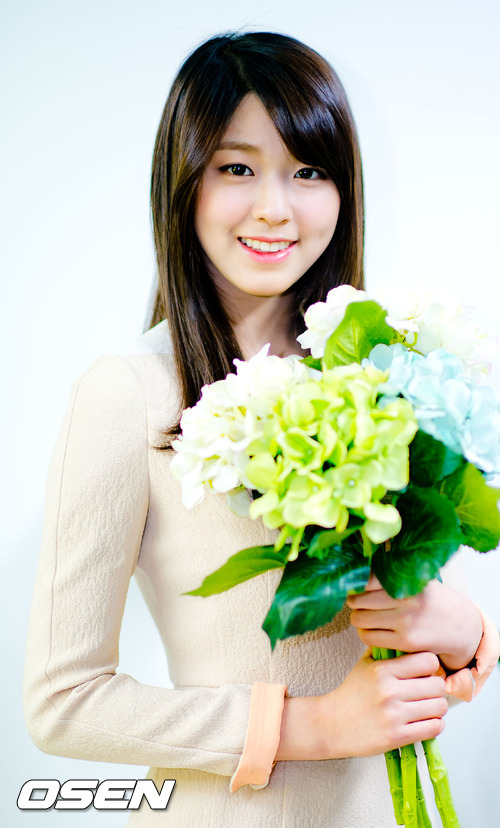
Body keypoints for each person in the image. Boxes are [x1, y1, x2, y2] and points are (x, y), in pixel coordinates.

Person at [24, 31, 499, 827]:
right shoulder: (130, 391)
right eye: (237, 168)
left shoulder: (380, 371)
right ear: (184, 182)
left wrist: (460, 629)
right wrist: (312, 726)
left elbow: (397, 640)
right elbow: (61, 702)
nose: (276, 207)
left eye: (308, 170)